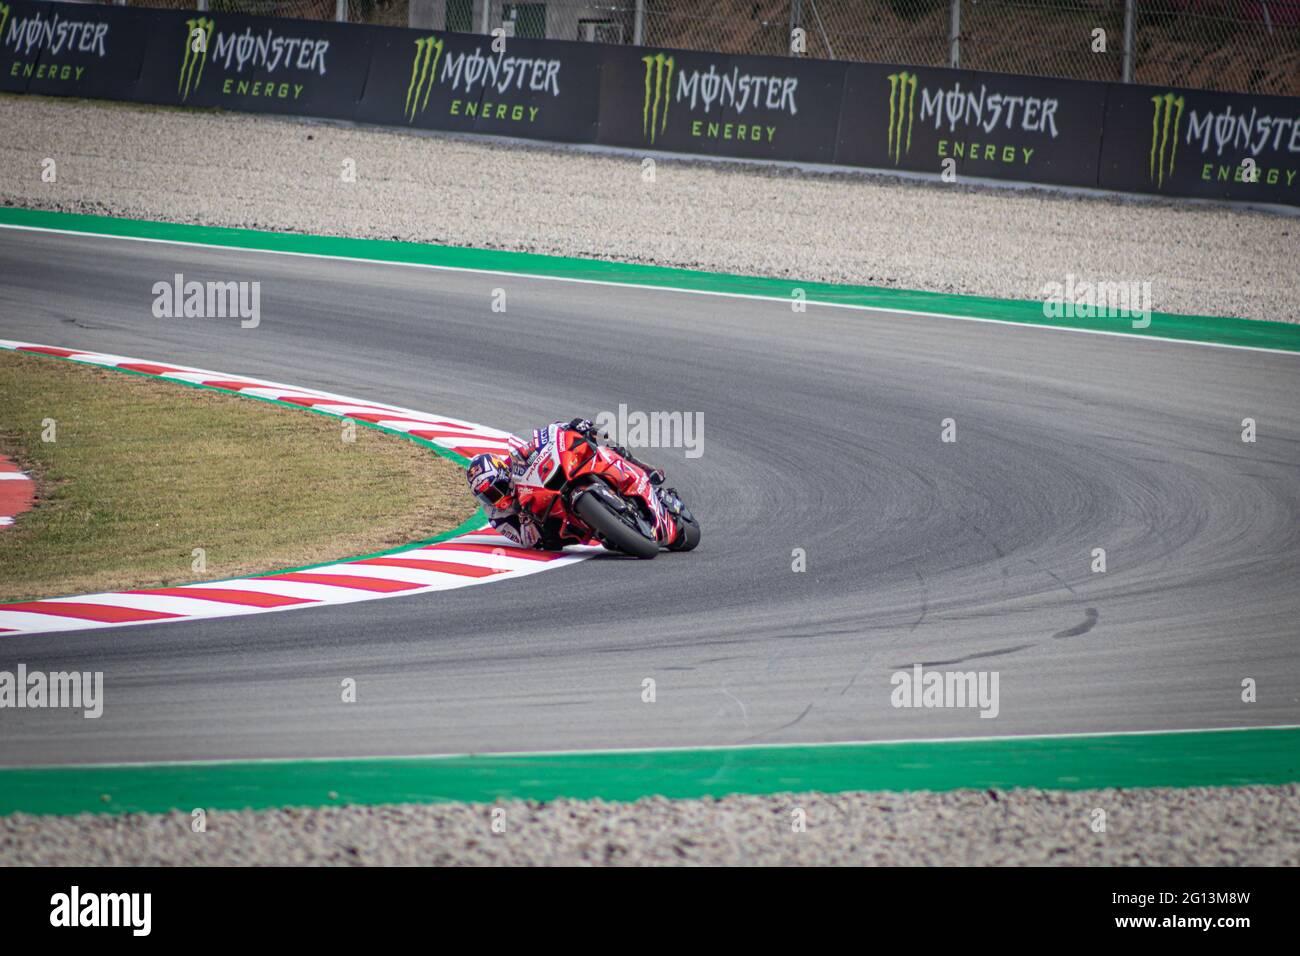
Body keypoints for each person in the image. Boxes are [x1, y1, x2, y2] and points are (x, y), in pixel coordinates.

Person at [464, 417, 665, 550]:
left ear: (502, 474)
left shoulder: (514, 460)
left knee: (590, 434)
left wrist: (565, 427)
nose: (494, 499)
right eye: (486, 497)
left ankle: (639, 465)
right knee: (553, 540)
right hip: (551, 519)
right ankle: (606, 528)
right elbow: (525, 539)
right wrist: (530, 524)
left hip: (552, 483)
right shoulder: (496, 516)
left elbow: (541, 438)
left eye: (493, 491)